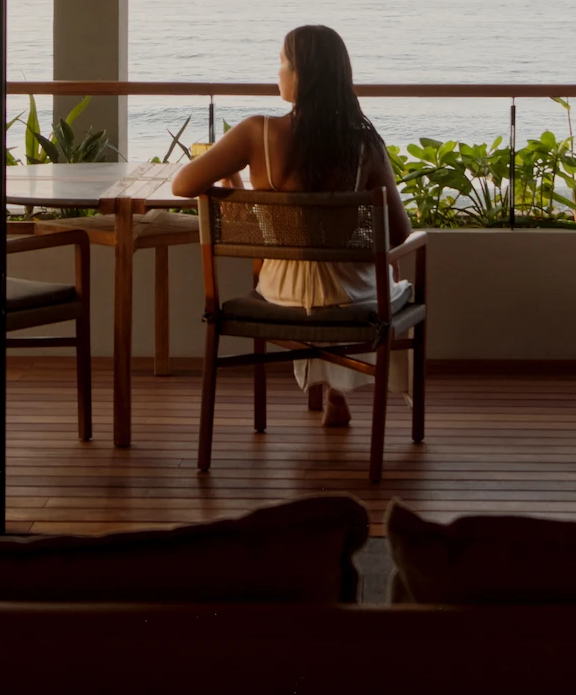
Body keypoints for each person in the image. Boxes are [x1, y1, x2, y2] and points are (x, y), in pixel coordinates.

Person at [171, 24, 413, 428]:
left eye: (283, 63)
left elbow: (183, 185)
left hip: (279, 290)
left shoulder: (256, 132)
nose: (277, 73)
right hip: (347, 299)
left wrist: (232, 180)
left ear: (302, 74)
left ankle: (330, 389)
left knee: (353, 280)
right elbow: (401, 233)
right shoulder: (364, 143)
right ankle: (338, 390)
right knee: (390, 276)